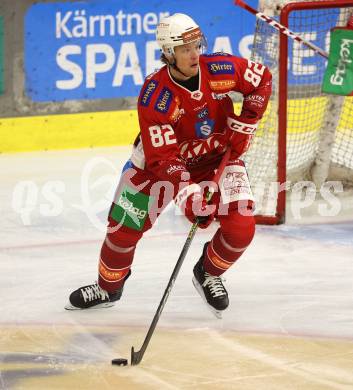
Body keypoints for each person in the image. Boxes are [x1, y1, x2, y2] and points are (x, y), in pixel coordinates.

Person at [66, 13, 272, 315]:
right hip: (155, 167)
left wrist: (246, 123)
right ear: (167, 52)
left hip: (216, 158)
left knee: (241, 228)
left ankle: (208, 273)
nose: (194, 53)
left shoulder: (219, 70)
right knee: (122, 231)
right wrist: (189, 195)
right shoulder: (155, 96)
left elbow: (262, 80)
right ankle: (108, 288)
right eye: (184, 48)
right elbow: (164, 159)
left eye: (196, 45)